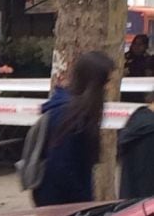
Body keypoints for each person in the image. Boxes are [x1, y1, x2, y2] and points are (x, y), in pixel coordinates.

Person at [32, 51, 114, 207]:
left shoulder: (69, 109)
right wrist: (82, 199)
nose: (108, 87)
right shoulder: (72, 115)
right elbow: (61, 164)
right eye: (106, 81)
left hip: (59, 197)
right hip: (64, 202)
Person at [118, 90, 154, 198]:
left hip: (131, 206)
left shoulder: (137, 119)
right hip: (145, 207)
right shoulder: (149, 133)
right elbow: (146, 180)